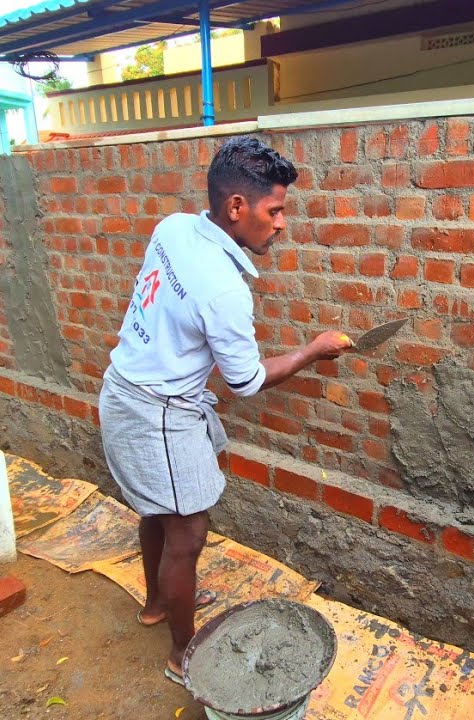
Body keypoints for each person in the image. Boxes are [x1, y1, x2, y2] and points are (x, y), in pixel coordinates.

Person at [98, 136, 351, 683]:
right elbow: (247, 381)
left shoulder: (172, 227)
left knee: (157, 511)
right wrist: (312, 350)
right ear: (237, 207)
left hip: (124, 386)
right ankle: (183, 656)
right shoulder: (224, 291)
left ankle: (157, 603)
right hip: (157, 411)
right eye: (275, 209)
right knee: (187, 534)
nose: (281, 223)